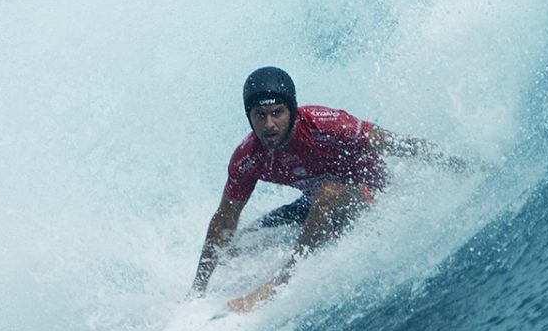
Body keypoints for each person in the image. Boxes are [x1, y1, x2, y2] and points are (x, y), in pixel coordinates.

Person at [191, 66, 475, 312]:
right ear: (249, 116)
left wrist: (461, 167)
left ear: (292, 109)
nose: (269, 124)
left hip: (368, 195)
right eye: (260, 115)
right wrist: (198, 290)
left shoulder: (326, 124)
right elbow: (224, 219)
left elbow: (398, 143)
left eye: (277, 113)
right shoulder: (248, 157)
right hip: (317, 205)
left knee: (328, 192)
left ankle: (282, 281)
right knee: (241, 245)